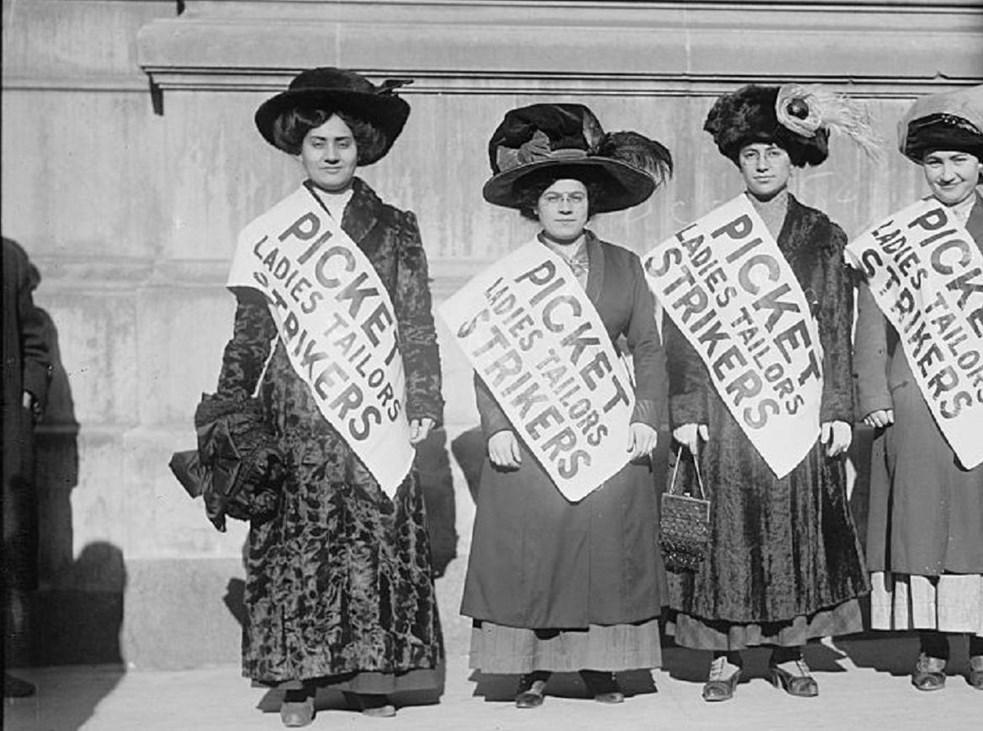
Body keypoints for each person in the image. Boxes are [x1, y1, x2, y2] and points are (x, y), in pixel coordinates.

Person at [210, 68, 444, 726]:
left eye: (343, 140)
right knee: (298, 543)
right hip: (297, 410)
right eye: (319, 142)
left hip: (376, 406)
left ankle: (372, 676)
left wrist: (424, 396)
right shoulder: (268, 234)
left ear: (362, 145)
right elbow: (250, 335)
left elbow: (416, 321)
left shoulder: (397, 227)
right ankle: (300, 683)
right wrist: (231, 410)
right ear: (299, 148)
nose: (333, 153)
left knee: (372, 539)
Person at [460, 103, 672, 709]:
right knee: (537, 544)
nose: (564, 207)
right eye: (552, 197)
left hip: (605, 425)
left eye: (575, 196)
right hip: (533, 427)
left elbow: (649, 350)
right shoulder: (511, 275)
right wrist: (496, 426)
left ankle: (603, 666)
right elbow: (489, 356)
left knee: (606, 545)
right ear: (534, 207)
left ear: (591, 203)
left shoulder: (625, 267)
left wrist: (644, 416)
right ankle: (531, 668)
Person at [665, 84, 868, 702]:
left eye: (774, 152)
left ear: (794, 159)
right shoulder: (708, 237)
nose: (761, 163)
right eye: (751, 152)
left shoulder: (823, 235)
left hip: (798, 408)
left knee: (792, 530)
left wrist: (838, 409)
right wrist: (687, 411)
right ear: (737, 160)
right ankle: (727, 655)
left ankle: (789, 651)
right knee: (729, 533)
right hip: (727, 412)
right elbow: (683, 333)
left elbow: (837, 324)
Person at [855, 83, 983, 691]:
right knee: (924, 524)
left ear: (979, 165)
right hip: (916, 399)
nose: (947, 172)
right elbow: (873, 321)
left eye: (959, 160)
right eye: (936, 161)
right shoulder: (896, 235)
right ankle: (933, 647)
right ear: (923, 167)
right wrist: (874, 395)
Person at [2, 237, 53, 699]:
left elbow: (34, 338)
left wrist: (31, 390)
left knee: (5, 547)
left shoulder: (9, 258)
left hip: (3, 433)